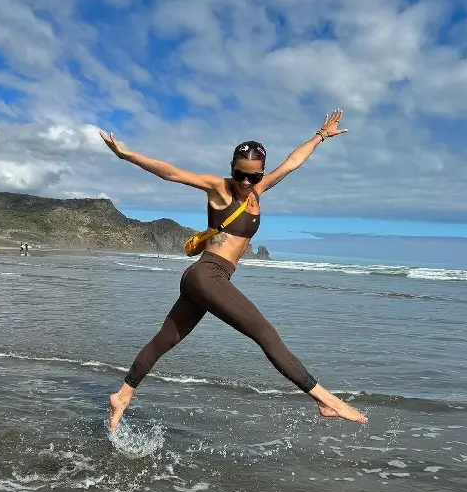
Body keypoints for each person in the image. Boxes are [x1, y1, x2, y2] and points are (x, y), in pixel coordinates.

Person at [100, 111, 368, 431]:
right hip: (206, 275)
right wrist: (126, 154)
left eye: (253, 177)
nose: (245, 182)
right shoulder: (219, 188)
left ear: (260, 175)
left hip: (207, 279)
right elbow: (171, 173)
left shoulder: (259, 190)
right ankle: (327, 400)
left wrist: (320, 136)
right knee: (265, 333)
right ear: (231, 169)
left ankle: (123, 394)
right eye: (240, 175)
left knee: (165, 340)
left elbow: (293, 162)